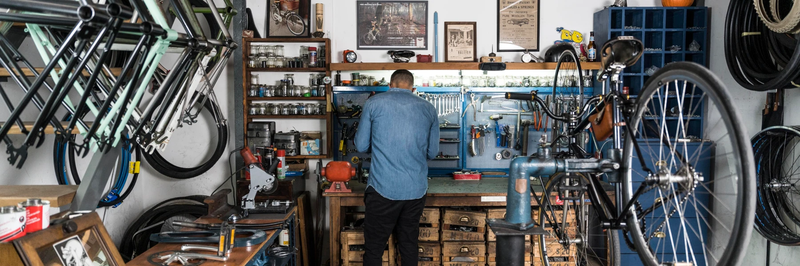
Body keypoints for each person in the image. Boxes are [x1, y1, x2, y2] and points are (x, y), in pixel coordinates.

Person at [355, 69, 439, 266]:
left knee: (374, 248)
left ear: (390, 86)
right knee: (409, 245)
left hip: (382, 189)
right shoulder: (428, 108)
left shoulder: (374, 103)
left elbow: (360, 146)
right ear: (413, 88)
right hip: (415, 190)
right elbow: (433, 153)